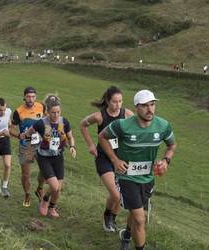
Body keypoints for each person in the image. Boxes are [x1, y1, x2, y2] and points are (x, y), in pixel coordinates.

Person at [98, 90, 176, 250]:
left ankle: (127, 235)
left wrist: (166, 161)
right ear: (136, 107)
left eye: (152, 105)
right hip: (127, 177)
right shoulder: (122, 125)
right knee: (140, 219)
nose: (150, 109)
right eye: (145, 106)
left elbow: (171, 145)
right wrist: (115, 160)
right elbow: (102, 137)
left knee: (136, 212)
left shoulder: (163, 126)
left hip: (147, 178)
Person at [80, 86, 134, 232]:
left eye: (120, 101)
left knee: (120, 195)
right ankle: (106, 217)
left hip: (121, 159)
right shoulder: (100, 116)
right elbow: (82, 125)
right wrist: (91, 145)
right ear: (108, 101)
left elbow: (136, 130)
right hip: (104, 158)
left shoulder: (127, 114)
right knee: (116, 195)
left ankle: (112, 219)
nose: (118, 105)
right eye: (115, 102)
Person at [22, 94, 76, 218]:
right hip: (44, 157)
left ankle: (51, 207)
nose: (56, 115)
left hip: (58, 157)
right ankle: (44, 202)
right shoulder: (41, 123)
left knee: (58, 189)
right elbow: (29, 134)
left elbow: (70, 136)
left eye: (58, 112)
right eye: (53, 112)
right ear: (47, 111)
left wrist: (72, 146)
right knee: (55, 186)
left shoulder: (64, 121)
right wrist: (30, 147)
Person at [11, 87, 46, 207]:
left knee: (45, 170)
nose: (30, 99)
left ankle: (39, 188)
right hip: (27, 146)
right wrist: (18, 135)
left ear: (36, 97)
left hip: (41, 144)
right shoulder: (18, 111)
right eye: (28, 97)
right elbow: (10, 128)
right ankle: (27, 194)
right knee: (26, 174)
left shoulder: (41, 107)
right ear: (24, 97)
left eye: (33, 97)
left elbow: (47, 121)